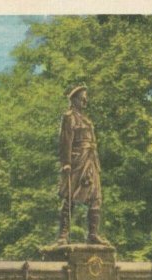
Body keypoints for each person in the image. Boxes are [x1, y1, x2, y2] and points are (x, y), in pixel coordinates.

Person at [56, 86, 110, 246]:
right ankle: (63, 235)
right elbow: (65, 140)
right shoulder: (69, 117)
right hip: (77, 160)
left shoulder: (87, 120)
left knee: (96, 197)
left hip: (91, 160)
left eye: (86, 98)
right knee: (70, 196)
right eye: (82, 98)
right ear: (74, 100)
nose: (85, 100)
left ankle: (93, 234)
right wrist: (66, 163)